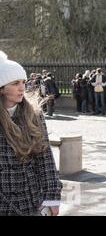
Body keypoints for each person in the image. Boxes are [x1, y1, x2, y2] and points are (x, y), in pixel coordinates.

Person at [0, 51, 62, 216]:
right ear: (1, 88)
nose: (22, 88)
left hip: (30, 199)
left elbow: (45, 157)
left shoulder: (33, 114)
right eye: (15, 83)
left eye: (23, 82)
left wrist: (52, 198)